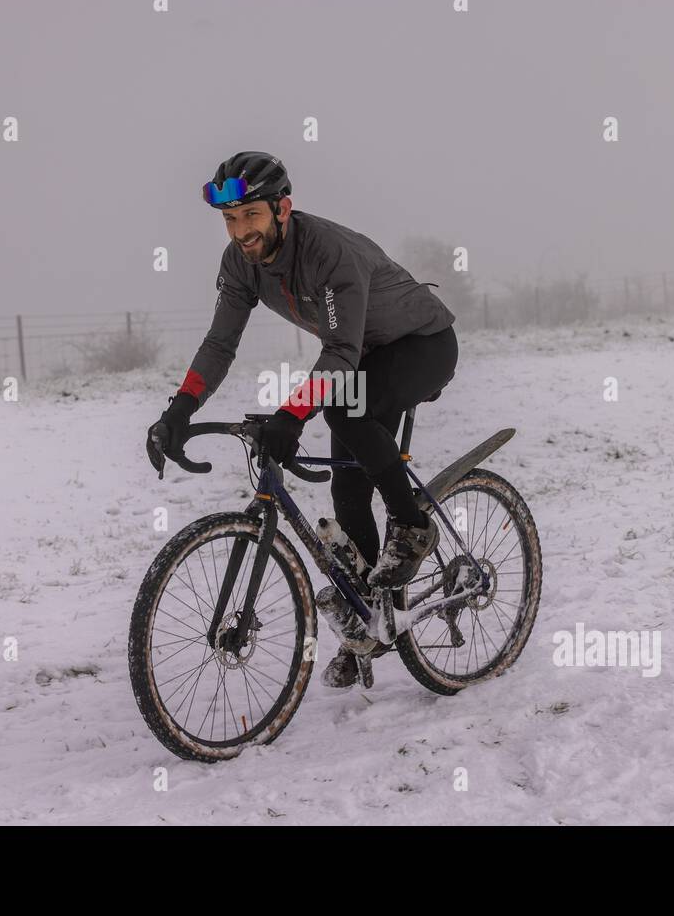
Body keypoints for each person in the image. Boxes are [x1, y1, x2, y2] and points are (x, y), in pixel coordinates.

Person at [146, 150, 458, 687]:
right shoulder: (239, 263)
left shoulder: (328, 254)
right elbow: (221, 343)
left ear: (282, 208)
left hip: (420, 344)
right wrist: (180, 408)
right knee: (347, 479)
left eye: (251, 216)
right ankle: (373, 617)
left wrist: (290, 416)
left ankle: (412, 527)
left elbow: (339, 352)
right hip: (361, 355)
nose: (241, 230)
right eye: (230, 218)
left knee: (341, 407)